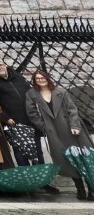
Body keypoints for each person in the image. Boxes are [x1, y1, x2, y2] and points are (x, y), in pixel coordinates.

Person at [25, 69, 93, 200]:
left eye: (42, 78)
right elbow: (31, 113)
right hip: (54, 132)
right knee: (68, 160)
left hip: (72, 130)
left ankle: (91, 189)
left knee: (84, 158)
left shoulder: (60, 92)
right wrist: (44, 127)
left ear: (48, 78)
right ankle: (80, 189)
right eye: (37, 78)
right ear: (34, 80)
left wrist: (75, 125)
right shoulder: (32, 94)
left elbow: (72, 109)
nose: (40, 80)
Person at [0, 57, 36, 169]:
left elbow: (29, 91)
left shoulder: (17, 76)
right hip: (13, 119)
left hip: (29, 115)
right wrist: (5, 117)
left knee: (36, 147)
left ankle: (41, 177)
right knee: (19, 148)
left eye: (0, 64)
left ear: (5, 65)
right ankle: (26, 175)